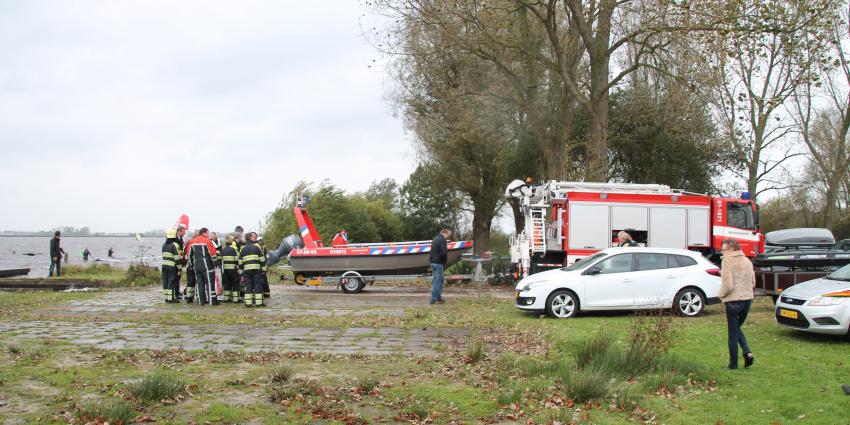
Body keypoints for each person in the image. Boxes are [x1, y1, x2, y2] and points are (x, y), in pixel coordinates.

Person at [719, 239, 756, 369]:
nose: (722, 252)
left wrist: (721, 295)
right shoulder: (747, 261)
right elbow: (753, 282)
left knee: (733, 333)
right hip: (747, 300)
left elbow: (727, 284)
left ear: (732, 249)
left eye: (724, 249)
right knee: (736, 329)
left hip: (733, 301)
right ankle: (747, 353)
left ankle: (733, 364)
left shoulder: (727, 261)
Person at [185, 228, 219, 306]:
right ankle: (212, 301)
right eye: (208, 233)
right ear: (204, 233)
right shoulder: (207, 241)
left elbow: (189, 254)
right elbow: (212, 254)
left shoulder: (192, 242)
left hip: (196, 265)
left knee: (199, 283)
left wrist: (191, 264)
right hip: (207, 265)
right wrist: (215, 263)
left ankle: (201, 301)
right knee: (210, 283)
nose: (209, 234)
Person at [239, 232, 267, 307]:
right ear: (250, 238)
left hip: (247, 270)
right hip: (256, 270)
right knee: (257, 285)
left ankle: (248, 303)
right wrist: (264, 270)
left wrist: (241, 272)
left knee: (248, 286)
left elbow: (240, 262)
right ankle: (259, 303)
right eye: (253, 237)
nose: (254, 238)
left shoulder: (242, 248)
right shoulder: (257, 246)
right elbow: (262, 259)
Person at [429, 229, 451, 305]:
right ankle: (433, 298)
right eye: (448, 235)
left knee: (439, 280)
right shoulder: (442, 240)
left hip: (433, 262)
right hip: (439, 263)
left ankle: (438, 297)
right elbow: (443, 252)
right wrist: (445, 261)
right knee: (437, 281)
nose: (447, 237)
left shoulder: (435, 239)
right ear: (445, 233)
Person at [161, 229, 182, 303]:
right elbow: (177, 258)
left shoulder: (164, 244)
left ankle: (167, 298)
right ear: (174, 236)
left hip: (164, 266)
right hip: (172, 267)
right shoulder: (175, 245)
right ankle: (172, 299)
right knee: (171, 282)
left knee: (165, 282)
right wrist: (180, 268)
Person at [219, 235, 240, 303]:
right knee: (235, 283)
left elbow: (220, 259)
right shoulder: (234, 249)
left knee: (227, 283)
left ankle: (226, 298)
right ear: (232, 241)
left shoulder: (223, 249)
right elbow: (237, 259)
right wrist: (238, 267)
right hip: (233, 269)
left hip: (225, 270)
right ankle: (236, 299)